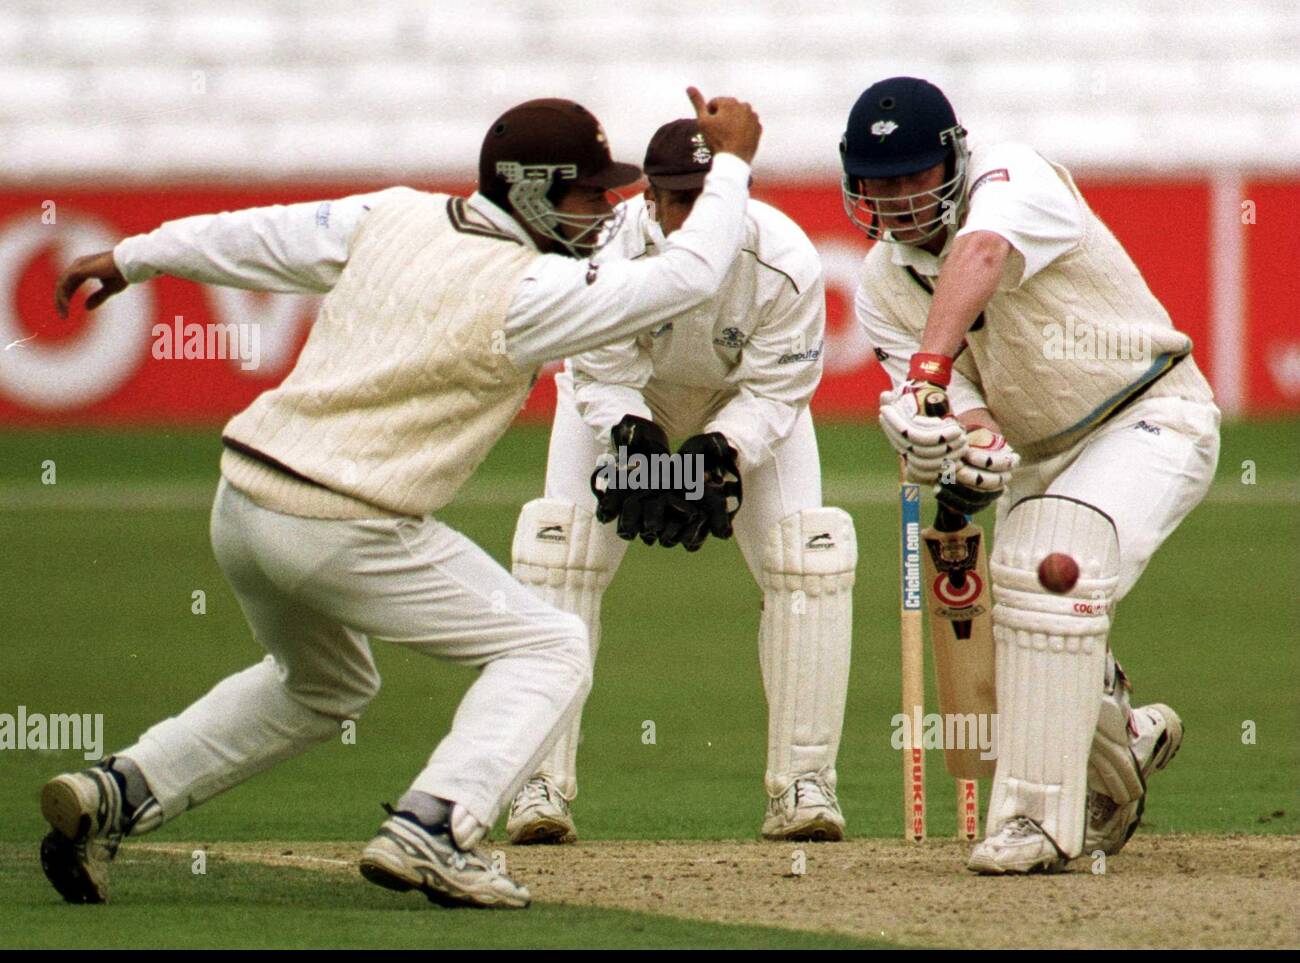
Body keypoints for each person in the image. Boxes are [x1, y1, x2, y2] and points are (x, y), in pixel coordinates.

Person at [42, 89, 762, 908]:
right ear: (532, 190)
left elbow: (262, 235)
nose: (609, 206)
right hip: (342, 524)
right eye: (590, 191)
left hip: (243, 499)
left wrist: (135, 255)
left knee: (323, 686)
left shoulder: (395, 214)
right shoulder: (533, 293)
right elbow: (690, 276)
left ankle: (116, 794)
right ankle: (438, 825)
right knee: (551, 646)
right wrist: (734, 161)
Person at [843, 77, 1219, 873]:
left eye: (912, 178)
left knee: (1052, 568)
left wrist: (924, 375)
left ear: (952, 159)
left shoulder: (1015, 177)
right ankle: (1127, 736)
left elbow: (981, 255)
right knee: (1025, 634)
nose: (899, 200)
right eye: (879, 185)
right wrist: (963, 451)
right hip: (1041, 454)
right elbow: (973, 416)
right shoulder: (882, 282)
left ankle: (1036, 823)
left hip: (1149, 412)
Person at [506, 117, 855, 845]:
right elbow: (598, 373)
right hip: (629, 396)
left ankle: (803, 782)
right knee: (559, 552)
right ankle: (536, 783)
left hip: (741, 400)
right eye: (674, 198)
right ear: (649, 198)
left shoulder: (785, 259)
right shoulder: (605, 247)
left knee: (809, 557)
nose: (689, 216)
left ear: (738, 192)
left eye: (705, 196)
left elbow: (778, 390)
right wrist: (633, 436)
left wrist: (721, 452)